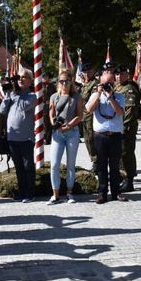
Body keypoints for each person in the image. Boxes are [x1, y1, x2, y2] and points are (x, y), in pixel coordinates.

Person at [86, 64, 128, 204]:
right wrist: (98, 94)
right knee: (101, 165)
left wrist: (110, 98)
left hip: (115, 135)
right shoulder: (94, 95)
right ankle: (102, 193)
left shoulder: (119, 96)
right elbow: (89, 109)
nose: (107, 86)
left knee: (115, 165)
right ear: (100, 83)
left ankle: (116, 192)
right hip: (100, 136)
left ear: (114, 84)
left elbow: (120, 112)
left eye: (110, 83)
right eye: (105, 83)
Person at [46, 70, 83, 204]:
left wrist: (69, 125)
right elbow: (50, 114)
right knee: (54, 164)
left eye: (66, 81)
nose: (64, 84)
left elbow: (80, 115)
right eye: (61, 81)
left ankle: (69, 193)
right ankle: (55, 194)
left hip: (72, 132)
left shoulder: (76, 97)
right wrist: (54, 124)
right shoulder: (54, 97)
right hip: (57, 134)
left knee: (70, 164)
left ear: (71, 81)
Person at [0, 70, 37, 202]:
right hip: (12, 137)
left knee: (28, 167)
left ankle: (30, 192)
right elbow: (2, 110)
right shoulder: (12, 94)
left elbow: (22, 106)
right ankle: (22, 191)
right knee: (19, 167)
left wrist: (13, 93)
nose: (20, 79)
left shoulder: (32, 95)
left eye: (24, 77)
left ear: (30, 80)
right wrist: (7, 95)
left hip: (26, 137)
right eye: (18, 77)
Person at [115, 64, 141, 192]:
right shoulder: (117, 88)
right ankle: (122, 177)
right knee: (120, 154)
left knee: (127, 154)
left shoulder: (129, 89)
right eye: (117, 74)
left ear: (127, 74)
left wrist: (123, 127)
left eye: (122, 74)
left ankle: (129, 180)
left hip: (127, 128)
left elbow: (129, 111)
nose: (119, 77)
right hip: (117, 127)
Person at [79, 63, 99, 172]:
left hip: (92, 116)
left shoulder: (94, 84)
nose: (87, 74)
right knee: (87, 140)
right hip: (84, 116)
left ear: (93, 71)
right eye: (85, 72)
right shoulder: (84, 84)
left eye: (89, 71)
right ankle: (94, 160)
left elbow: (92, 100)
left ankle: (97, 162)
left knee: (91, 139)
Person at [41, 72, 57, 144]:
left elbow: (55, 95)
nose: (45, 78)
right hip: (42, 106)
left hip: (50, 105)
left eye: (46, 76)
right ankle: (45, 138)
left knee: (50, 121)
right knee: (44, 122)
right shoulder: (40, 86)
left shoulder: (52, 86)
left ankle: (49, 137)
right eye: (44, 77)